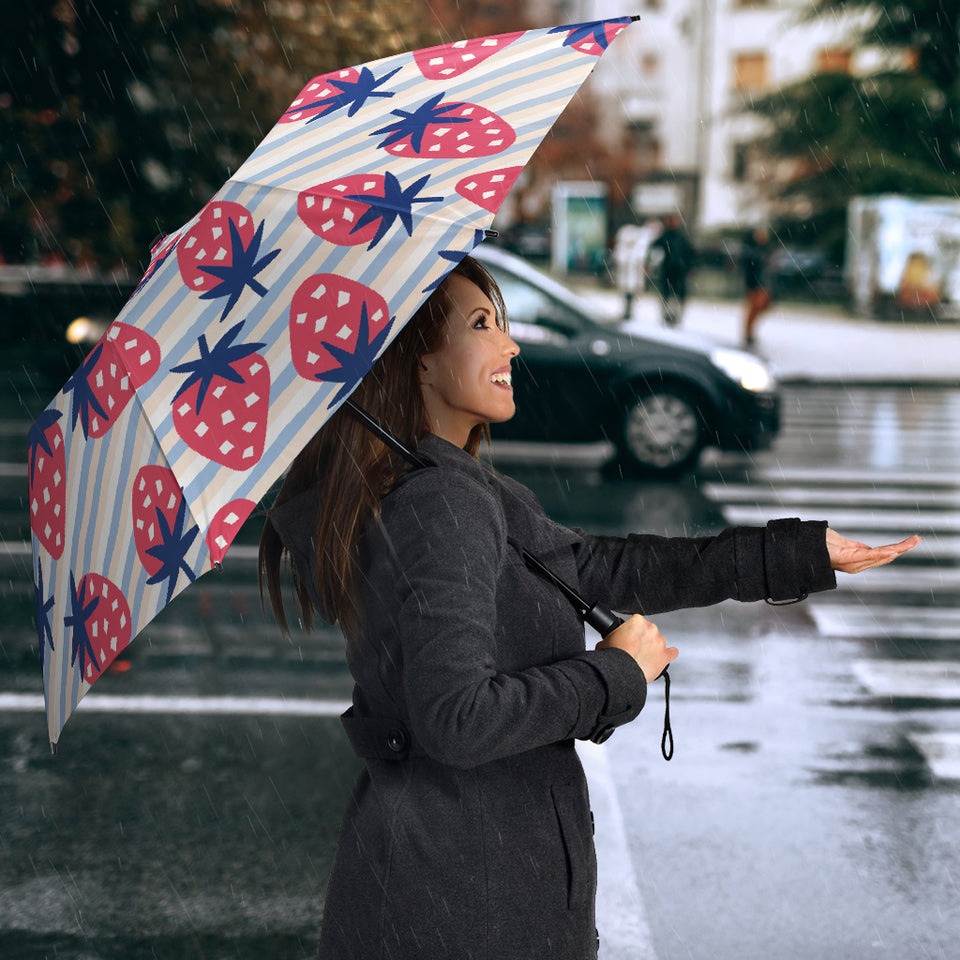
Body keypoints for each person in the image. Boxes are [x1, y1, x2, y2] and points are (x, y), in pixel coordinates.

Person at [258, 255, 919, 960]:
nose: (511, 345)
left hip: (447, 883)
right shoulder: (441, 503)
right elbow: (457, 719)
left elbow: (599, 568)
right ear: (418, 360)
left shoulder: (444, 487)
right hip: (469, 902)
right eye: (482, 325)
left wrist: (794, 554)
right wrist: (614, 674)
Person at [648, 213, 695, 327]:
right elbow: (654, 249)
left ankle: (675, 316)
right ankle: (667, 315)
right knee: (667, 294)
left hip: (679, 271)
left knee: (677, 295)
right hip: (668, 271)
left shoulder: (681, 237)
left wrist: (690, 267)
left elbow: (690, 253)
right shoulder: (665, 236)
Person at [741, 226, 772, 347]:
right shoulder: (751, 250)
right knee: (754, 308)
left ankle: (750, 331)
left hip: (762, 283)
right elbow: (750, 266)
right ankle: (748, 333)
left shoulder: (762, 249)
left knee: (761, 306)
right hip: (754, 284)